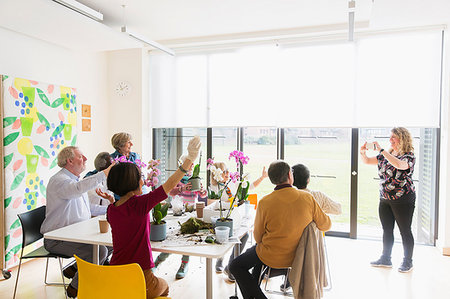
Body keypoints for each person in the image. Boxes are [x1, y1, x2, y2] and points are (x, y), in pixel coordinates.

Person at [100, 136, 201, 299]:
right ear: (131, 184)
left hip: (116, 273)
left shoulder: (112, 210)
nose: (143, 181)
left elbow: (122, 216)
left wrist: (112, 200)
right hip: (141, 276)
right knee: (165, 287)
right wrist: (189, 159)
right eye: (139, 178)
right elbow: (168, 185)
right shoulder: (139, 205)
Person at [229, 160, 331, 299]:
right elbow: (326, 225)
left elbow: (258, 238)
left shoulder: (265, 202)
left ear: (271, 179)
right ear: (290, 175)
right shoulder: (307, 198)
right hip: (299, 257)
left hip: (270, 257)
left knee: (235, 265)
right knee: (253, 258)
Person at [40, 146, 115, 298]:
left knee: (112, 244)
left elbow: (89, 210)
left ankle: (74, 269)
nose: (86, 159)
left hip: (76, 234)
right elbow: (78, 189)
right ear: (70, 161)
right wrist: (104, 173)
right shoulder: (59, 181)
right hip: (57, 239)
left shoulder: (73, 182)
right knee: (100, 251)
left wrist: (113, 208)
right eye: (81, 156)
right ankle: (74, 288)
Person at [360, 127, 416, 273]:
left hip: (403, 198)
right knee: (387, 229)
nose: (391, 139)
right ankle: (386, 258)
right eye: (390, 137)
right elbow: (367, 161)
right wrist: (362, 152)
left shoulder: (408, 156)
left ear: (402, 139)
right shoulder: (387, 154)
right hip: (385, 197)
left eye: (394, 137)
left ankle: (407, 261)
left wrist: (382, 151)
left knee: (405, 230)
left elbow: (398, 165)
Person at [208, 162, 268, 282]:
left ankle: (230, 266)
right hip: (221, 219)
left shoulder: (233, 183)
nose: (227, 174)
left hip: (234, 217)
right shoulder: (213, 188)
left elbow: (250, 186)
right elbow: (211, 205)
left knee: (244, 235)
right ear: (216, 174)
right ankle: (220, 258)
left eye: (227, 170)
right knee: (224, 239)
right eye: (223, 171)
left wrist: (262, 178)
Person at [152, 154, 207, 279]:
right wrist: (182, 188)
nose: (192, 166)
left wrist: (203, 191)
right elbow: (171, 191)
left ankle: (184, 265)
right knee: (171, 240)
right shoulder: (178, 178)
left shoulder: (195, 178)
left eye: (193, 164)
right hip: (178, 213)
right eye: (189, 163)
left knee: (187, 240)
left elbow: (202, 195)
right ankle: (158, 261)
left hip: (191, 213)